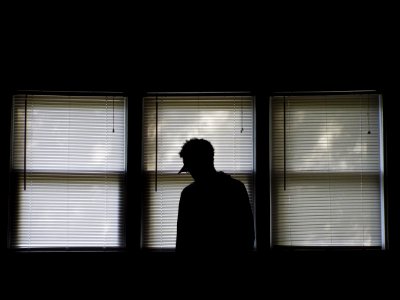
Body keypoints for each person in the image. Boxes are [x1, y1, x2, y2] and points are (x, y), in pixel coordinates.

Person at [176, 138, 255, 253]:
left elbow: (183, 240)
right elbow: (248, 234)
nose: (191, 173)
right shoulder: (237, 188)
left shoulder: (189, 194)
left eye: (190, 168)